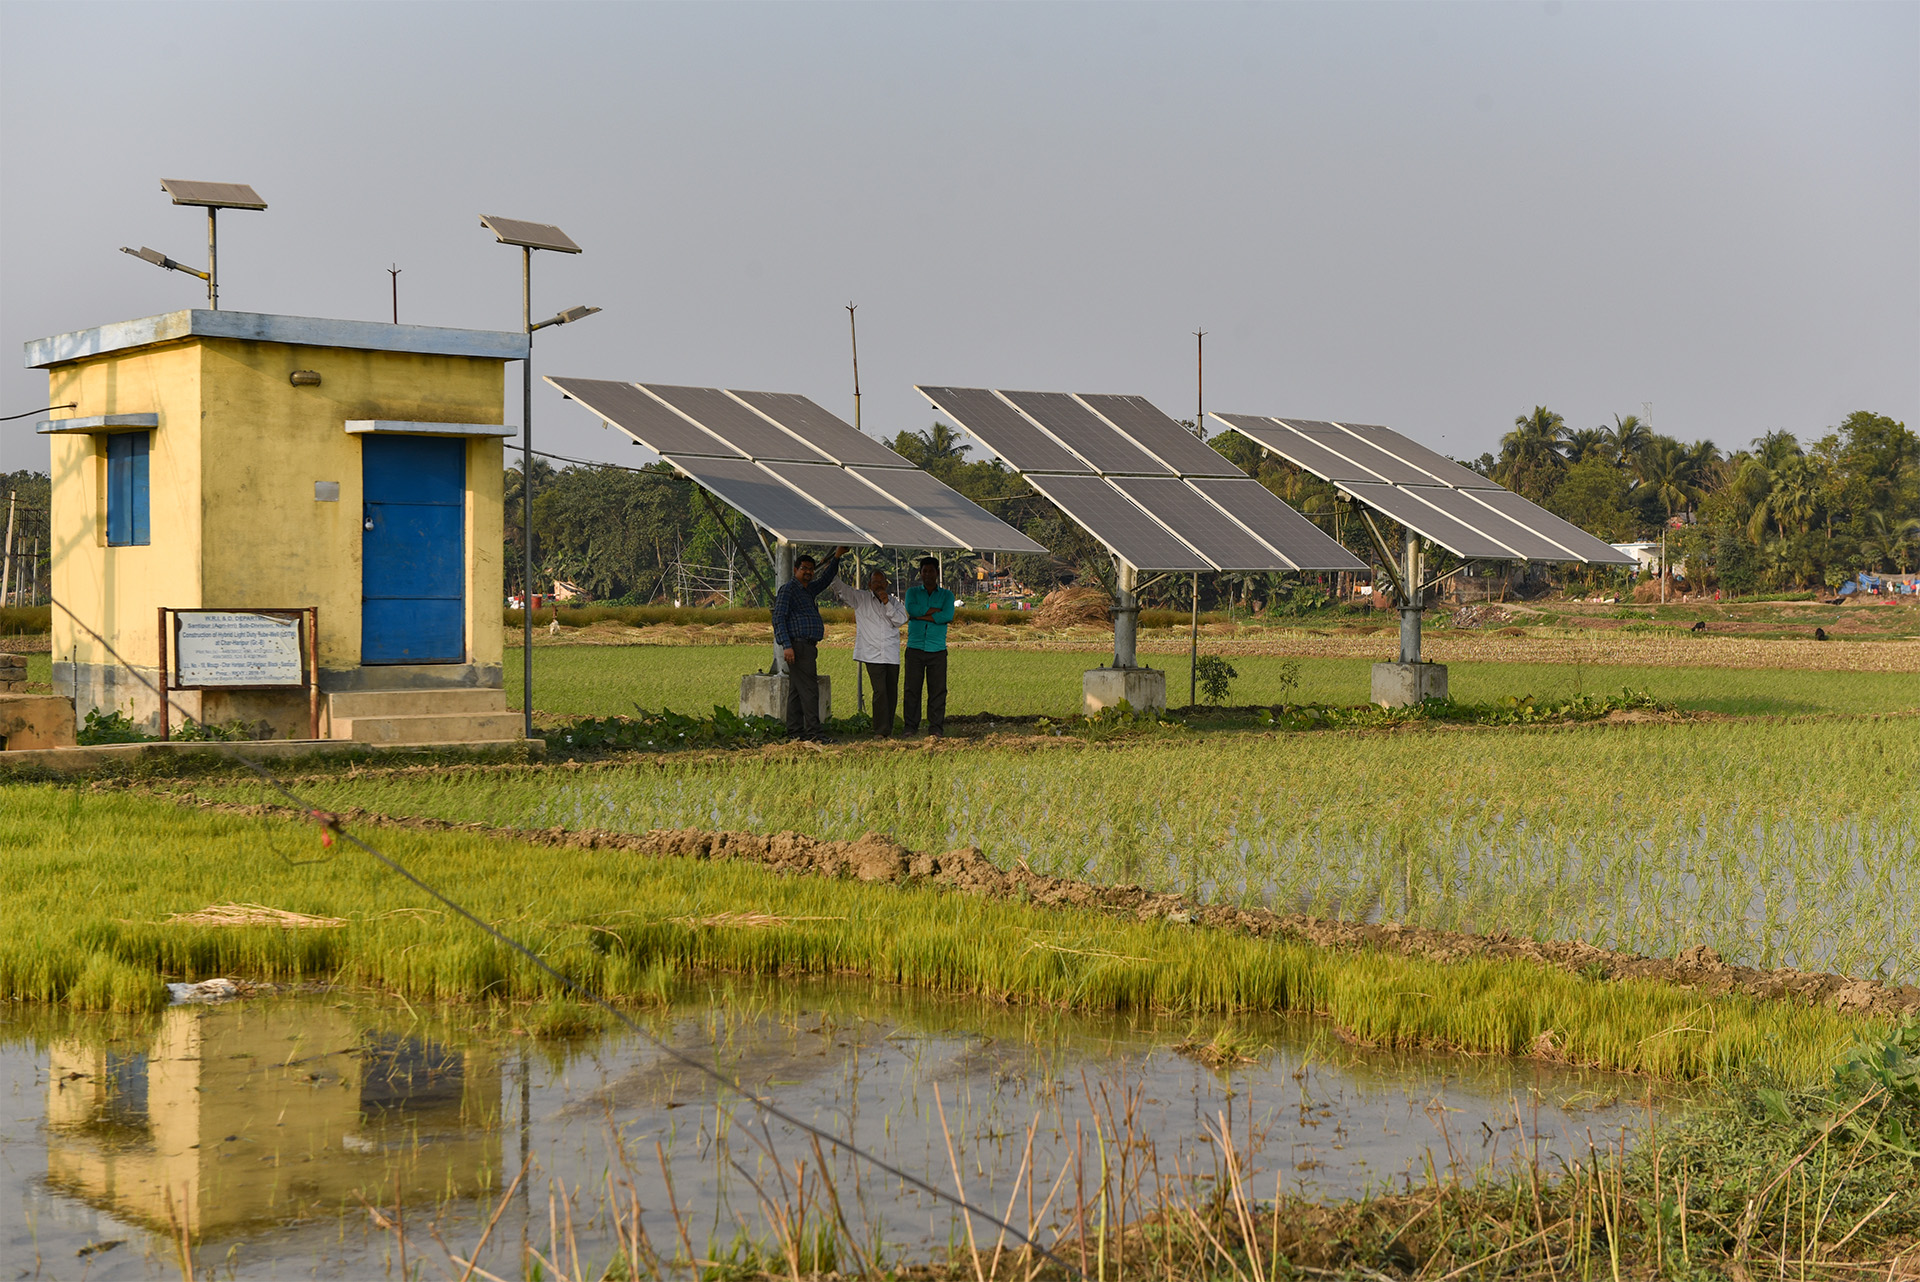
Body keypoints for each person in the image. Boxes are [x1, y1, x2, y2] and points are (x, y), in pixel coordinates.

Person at [771, 546, 846, 741]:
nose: (808, 572)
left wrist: (836, 557)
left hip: (808, 646)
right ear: (795, 569)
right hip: (798, 646)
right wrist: (786, 645)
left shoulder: (808, 590)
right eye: (804, 568)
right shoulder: (788, 589)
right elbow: (778, 618)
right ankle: (815, 734)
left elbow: (825, 579)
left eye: (811, 569)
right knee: (810, 691)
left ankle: (795, 732)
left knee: (797, 692)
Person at [831, 564, 910, 736]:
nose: (879, 585)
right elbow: (841, 588)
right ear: (869, 585)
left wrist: (887, 602)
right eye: (875, 582)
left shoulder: (895, 602)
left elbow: (900, 621)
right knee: (880, 691)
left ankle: (887, 728)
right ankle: (880, 730)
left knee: (891, 692)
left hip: (891, 654)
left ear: (886, 584)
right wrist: (833, 564)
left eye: (882, 582)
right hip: (872, 654)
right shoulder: (861, 599)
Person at [902, 555, 956, 737]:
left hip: (937, 650)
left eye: (931, 571)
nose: (927, 574)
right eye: (924, 571)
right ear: (920, 573)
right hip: (915, 647)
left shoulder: (947, 595)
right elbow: (911, 610)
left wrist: (920, 616)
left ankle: (936, 728)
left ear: (937, 573)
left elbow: (947, 615)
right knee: (911, 690)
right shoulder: (912, 593)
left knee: (938, 691)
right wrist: (933, 614)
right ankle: (910, 727)